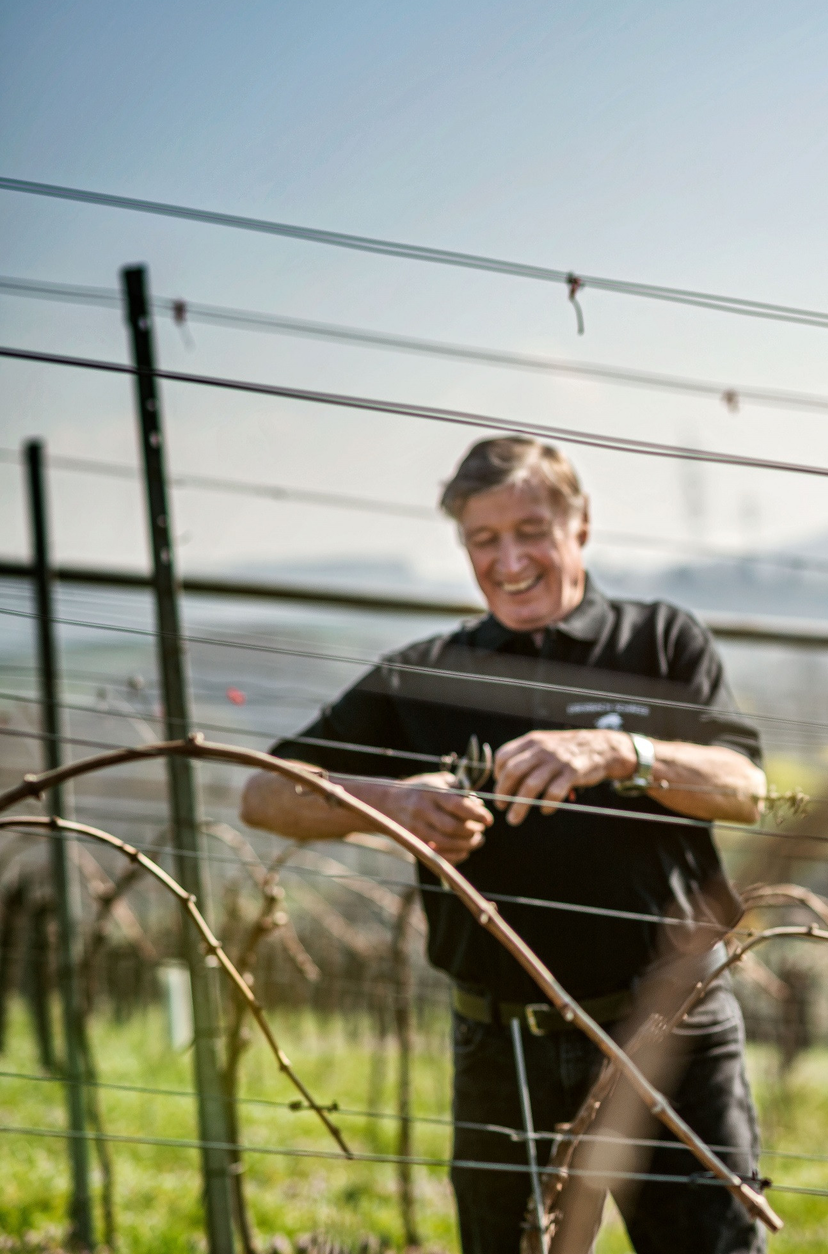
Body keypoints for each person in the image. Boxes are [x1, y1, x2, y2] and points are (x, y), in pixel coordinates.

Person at [240, 436, 768, 1254]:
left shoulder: (661, 641)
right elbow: (265, 792)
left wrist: (621, 752)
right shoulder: (424, 673)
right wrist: (391, 803)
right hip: (503, 1045)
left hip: (673, 1033)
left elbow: (745, 787)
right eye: (484, 539)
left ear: (580, 525)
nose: (510, 560)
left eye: (531, 531)